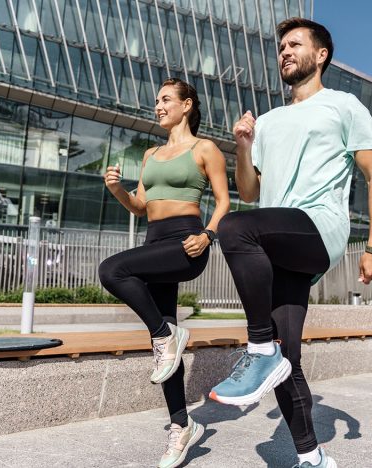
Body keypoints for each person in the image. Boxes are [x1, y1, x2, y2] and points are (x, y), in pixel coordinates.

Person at [209, 17, 372, 468]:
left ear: (321, 55)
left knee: (234, 227)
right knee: (288, 362)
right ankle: (312, 457)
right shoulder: (268, 121)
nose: (285, 52)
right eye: (281, 47)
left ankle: (258, 349)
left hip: (318, 227)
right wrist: (244, 146)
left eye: (295, 44)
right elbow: (250, 192)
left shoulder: (343, 106)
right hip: (276, 243)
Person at [98, 78, 229, 468]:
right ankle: (181, 426)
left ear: (187, 105)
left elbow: (224, 202)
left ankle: (164, 335)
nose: (158, 106)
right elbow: (141, 207)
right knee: (166, 355)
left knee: (111, 270)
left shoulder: (205, 149)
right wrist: (117, 189)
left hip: (187, 242)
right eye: (157, 100)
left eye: (166, 99)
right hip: (154, 242)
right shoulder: (151, 154)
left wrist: (207, 236)